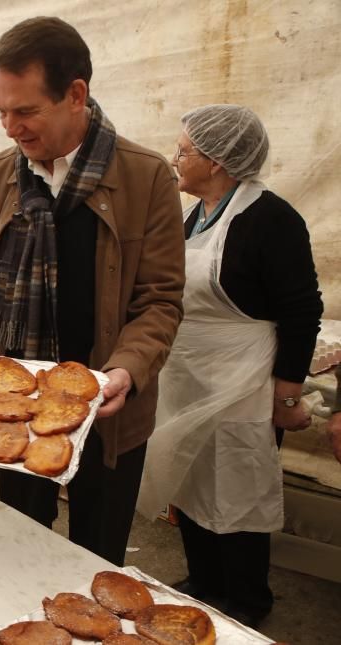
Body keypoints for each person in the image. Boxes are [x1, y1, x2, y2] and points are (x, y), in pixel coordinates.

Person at [0, 17, 186, 566]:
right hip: (10, 407)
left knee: (98, 558)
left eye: (24, 111)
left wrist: (125, 370)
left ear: (76, 94)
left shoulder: (146, 179)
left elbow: (160, 300)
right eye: (0, 111)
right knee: (20, 544)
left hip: (106, 411)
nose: (9, 127)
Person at [138, 105, 322, 627]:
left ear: (217, 161)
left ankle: (246, 599)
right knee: (191, 476)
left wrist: (286, 393)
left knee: (238, 485)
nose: (176, 159)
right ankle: (205, 582)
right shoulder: (193, 215)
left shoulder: (271, 218)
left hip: (244, 375)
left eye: (184, 151)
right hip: (191, 372)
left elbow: (302, 307)